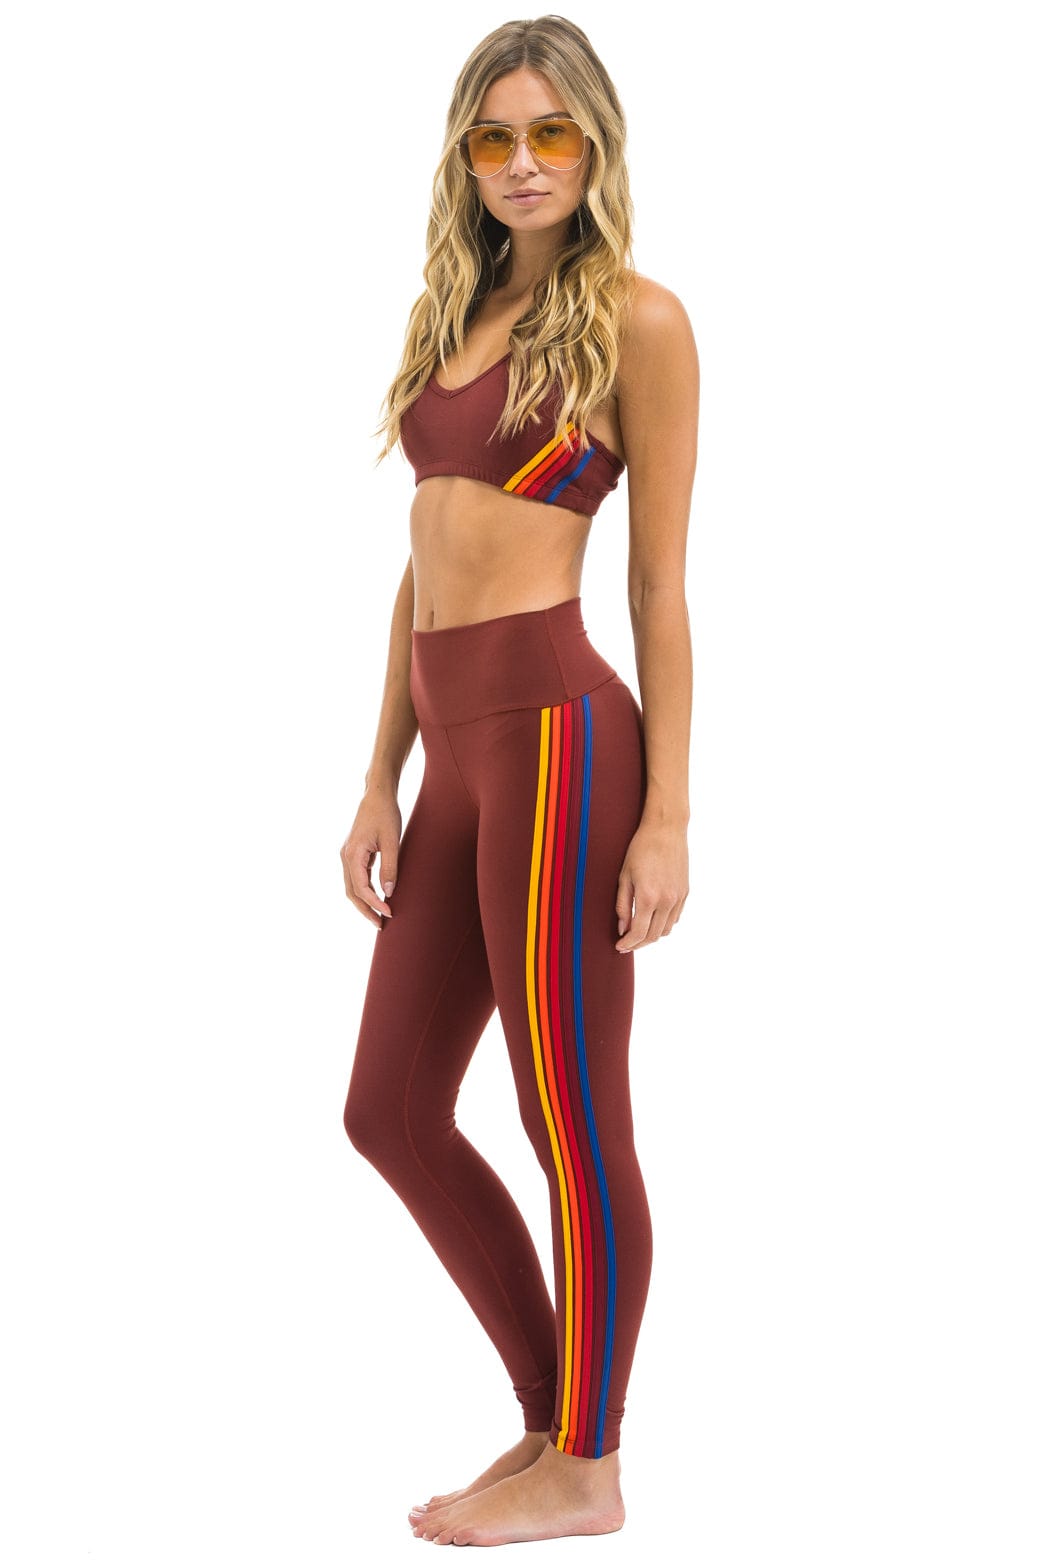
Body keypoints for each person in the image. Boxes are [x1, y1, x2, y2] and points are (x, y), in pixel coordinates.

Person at [340, 14, 699, 1547]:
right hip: (454, 761)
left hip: (561, 744)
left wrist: (668, 814)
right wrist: (378, 775)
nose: (525, 163)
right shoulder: (458, 308)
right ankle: (561, 1417)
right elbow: (424, 564)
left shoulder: (640, 322)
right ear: (466, 158)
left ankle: (588, 1465)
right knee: (390, 1111)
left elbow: (659, 588)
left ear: (596, 143)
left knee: (569, 1116)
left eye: (553, 133)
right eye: (496, 137)